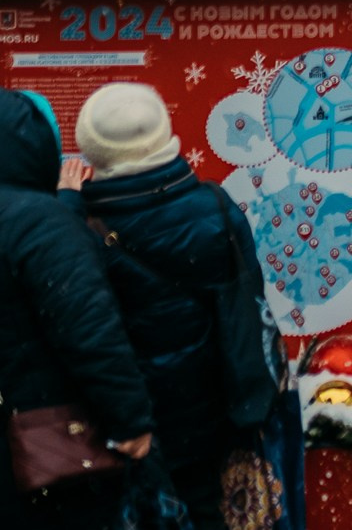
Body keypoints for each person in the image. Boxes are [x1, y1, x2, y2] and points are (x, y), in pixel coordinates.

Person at [0, 86, 155, 530]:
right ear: (26, 141)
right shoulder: (41, 221)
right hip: (57, 457)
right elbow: (89, 329)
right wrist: (131, 417)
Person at [71, 84, 280, 530]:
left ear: (93, 148)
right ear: (164, 135)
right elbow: (250, 294)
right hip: (213, 406)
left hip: (130, 419)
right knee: (207, 510)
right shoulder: (215, 206)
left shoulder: (81, 226)